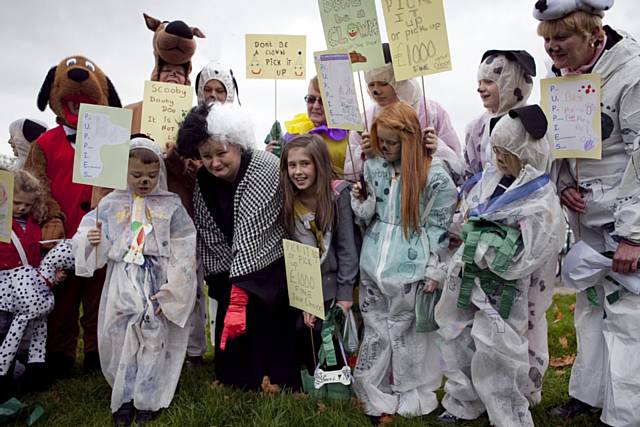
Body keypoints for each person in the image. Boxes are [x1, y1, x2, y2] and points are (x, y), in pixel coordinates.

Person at [533, 2, 640, 425]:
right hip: (586, 218)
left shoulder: (632, 74)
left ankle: (625, 413)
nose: (552, 49)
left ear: (595, 35)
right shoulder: (563, 74)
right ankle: (588, 393)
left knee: (628, 317)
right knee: (590, 306)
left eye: (562, 39)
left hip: (624, 216)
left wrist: (635, 234)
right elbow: (556, 139)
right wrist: (563, 186)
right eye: (547, 40)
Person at [435, 105, 565, 426]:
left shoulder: (541, 197)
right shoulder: (489, 181)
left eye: (505, 151)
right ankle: (464, 401)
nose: (498, 158)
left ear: (527, 151)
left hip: (506, 289)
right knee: (459, 339)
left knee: (499, 350)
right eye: (494, 150)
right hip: (468, 279)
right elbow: (467, 213)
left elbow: (532, 251)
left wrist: (488, 246)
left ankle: (507, 414)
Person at [73, 137, 198, 426]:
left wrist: (174, 286)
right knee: (119, 336)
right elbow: (90, 236)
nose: (144, 181)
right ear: (124, 172)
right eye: (137, 175)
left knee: (153, 337)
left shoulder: (171, 206)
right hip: (123, 280)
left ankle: (148, 398)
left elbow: (183, 243)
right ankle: (124, 396)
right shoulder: (109, 204)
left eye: (151, 176)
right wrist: (92, 239)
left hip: (155, 279)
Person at [176, 103, 300, 390]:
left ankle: (275, 375)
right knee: (233, 363)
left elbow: (251, 233)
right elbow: (209, 234)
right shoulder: (203, 182)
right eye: (206, 156)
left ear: (237, 145)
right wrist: (222, 282)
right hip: (234, 267)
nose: (215, 163)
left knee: (266, 325)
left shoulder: (262, 168)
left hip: (270, 263)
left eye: (221, 153)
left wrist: (239, 296)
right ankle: (238, 376)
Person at [350, 102, 456, 419]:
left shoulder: (434, 177)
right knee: (376, 327)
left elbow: (440, 225)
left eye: (391, 142)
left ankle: (412, 391)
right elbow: (367, 217)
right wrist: (362, 199)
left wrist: (434, 266)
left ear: (408, 140)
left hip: (410, 266)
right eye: (380, 141)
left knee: (408, 334)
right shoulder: (375, 167)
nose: (385, 148)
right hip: (374, 262)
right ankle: (374, 387)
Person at [279, 134, 359, 369]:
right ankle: (313, 377)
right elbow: (299, 256)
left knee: (337, 335)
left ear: (319, 164)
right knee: (305, 330)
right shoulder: (290, 200)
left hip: (337, 281)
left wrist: (345, 294)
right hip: (309, 282)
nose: (298, 171)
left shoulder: (337, 195)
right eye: (292, 165)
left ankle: (343, 375)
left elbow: (346, 247)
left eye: (305, 164)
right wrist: (307, 300)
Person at [346, 43, 463, 185]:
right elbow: (350, 172)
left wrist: (437, 149)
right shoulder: (366, 119)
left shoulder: (430, 112)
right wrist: (364, 154)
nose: (375, 91)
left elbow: (458, 169)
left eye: (383, 83)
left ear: (399, 81)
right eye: (371, 84)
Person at [0, 170, 71, 399]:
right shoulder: (3, 225)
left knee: (24, 337)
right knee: (3, 335)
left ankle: (19, 379)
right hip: (5, 295)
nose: (21, 208)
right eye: (17, 202)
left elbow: (37, 258)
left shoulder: (32, 225)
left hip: (27, 293)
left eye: (27, 205)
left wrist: (52, 275)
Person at [268, 76, 360, 181]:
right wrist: (271, 158)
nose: (316, 106)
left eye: (323, 101)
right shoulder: (297, 130)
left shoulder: (351, 135)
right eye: (311, 99)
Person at [463, 50, 536, 178]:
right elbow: (468, 172)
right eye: (479, 83)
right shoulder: (475, 127)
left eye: (489, 82)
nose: (480, 88)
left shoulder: (531, 120)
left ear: (510, 82)